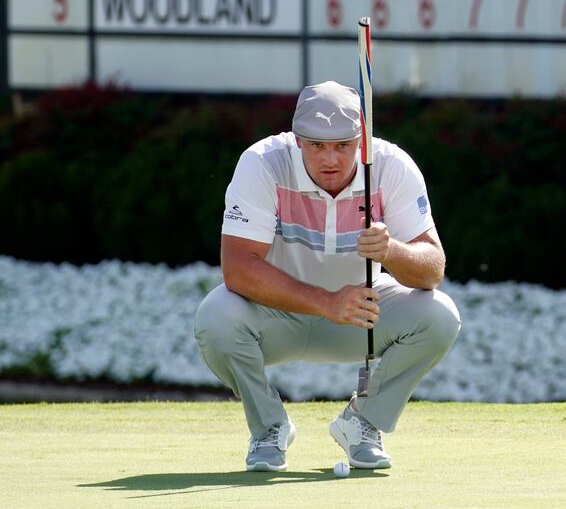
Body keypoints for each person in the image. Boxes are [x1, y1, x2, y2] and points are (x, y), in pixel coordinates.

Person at [194, 81, 461, 471]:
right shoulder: (262, 163)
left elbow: (432, 268)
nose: (330, 159)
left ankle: (362, 423)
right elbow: (238, 267)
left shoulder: (392, 166)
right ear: (297, 140)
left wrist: (391, 251)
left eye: (343, 145)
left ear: (362, 141)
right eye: (317, 146)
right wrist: (325, 301)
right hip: (276, 313)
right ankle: (269, 428)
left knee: (440, 316)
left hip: (360, 314)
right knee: (214, 317)